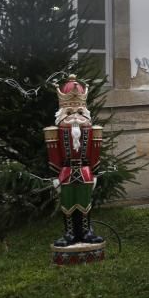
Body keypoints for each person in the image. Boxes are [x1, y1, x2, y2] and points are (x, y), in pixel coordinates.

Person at [44, 74, 104, 247]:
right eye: (70, 112)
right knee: (68, 204)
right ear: (62, 112)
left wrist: (95, 174)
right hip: (66, 172)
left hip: (85, 172)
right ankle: (70, 233)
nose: (75, 117)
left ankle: (86, 232)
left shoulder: (92, 130)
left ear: (85, 111)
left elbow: (95, 153)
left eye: (79, 112)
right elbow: (54, 154)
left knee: (85, 204)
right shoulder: (56, 132)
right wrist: (55, 175)